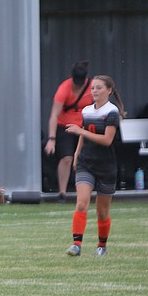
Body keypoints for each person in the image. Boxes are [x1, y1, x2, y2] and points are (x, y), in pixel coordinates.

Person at [65, 75, 125, 257]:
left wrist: (81, 131)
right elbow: (83, 135)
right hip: (86, 163)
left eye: (99, 88)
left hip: (106, 166)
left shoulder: (112, 112)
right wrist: (77, 154)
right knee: (81, 203)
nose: (94, 91)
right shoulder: (87, 111)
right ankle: (76, 245)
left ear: (109, 90)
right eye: (92, 88)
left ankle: (102, 246)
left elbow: (107, 140)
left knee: (102, 211)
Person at [44, 60, 93, 202]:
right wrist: (51, 139)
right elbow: (54, 115)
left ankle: (86, 191)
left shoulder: (92, 87)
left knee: (87, 159)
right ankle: (62, 193)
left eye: (81, 82)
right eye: (76, 82)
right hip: (65, 126)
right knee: (67, 158)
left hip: (84, 127)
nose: (78, 85)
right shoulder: (64, 88)